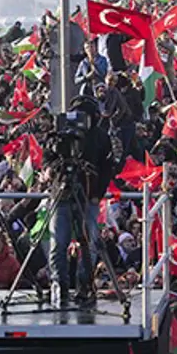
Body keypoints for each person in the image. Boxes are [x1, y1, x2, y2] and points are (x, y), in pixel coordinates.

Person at [49, 95, 119, 307]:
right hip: (62, 194)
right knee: (58, 242)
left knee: (88, 243)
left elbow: (108, 168)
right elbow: (47, 158)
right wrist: (53, 168)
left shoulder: (100, 137)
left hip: (89, 197)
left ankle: (84, 285)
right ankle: (59, 285)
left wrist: (98, 191)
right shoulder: (59, 134)